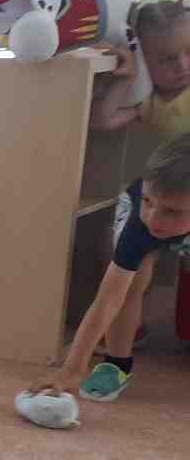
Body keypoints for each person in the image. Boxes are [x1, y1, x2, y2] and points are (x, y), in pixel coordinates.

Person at [80, 0, 190, 398]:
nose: (182, 66)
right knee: (126, 280)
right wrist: (127, 75)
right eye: (166, 59)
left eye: (188, 53)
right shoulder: (151, 103)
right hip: (160, 196)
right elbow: (103, 119)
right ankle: (117, 362)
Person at [29, 133, 190, 403]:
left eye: (171, 211)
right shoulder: (141, 220)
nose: (153, 218)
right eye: (149, 201)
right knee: (129, 287)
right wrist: (72, 369)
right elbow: (108, 300)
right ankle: (116, 365)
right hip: (136, 226)